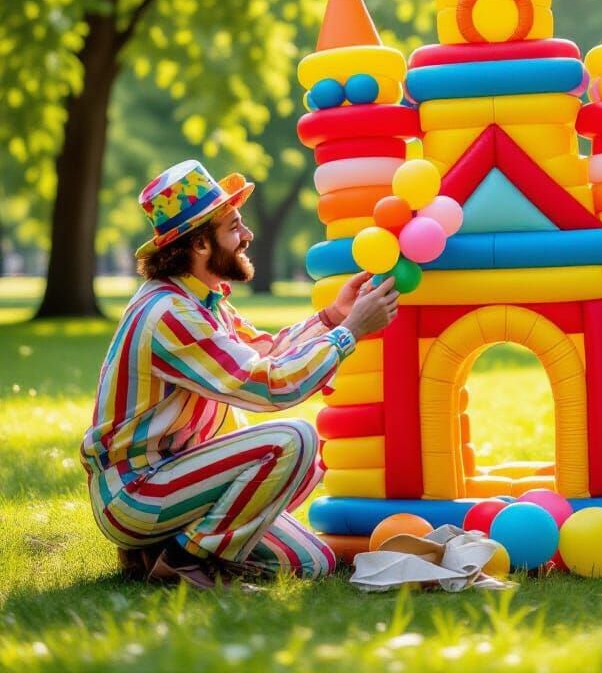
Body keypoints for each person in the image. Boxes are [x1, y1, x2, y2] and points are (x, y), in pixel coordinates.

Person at [80, 159, 399, 590]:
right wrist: (350, 332)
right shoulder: (170, 313)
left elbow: (262, 353)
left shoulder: (203, 302)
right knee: (295, 440)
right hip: (137, 490)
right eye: (234, 227)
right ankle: (186, 559)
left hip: (176, 481)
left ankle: (159, 552)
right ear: (199, 245)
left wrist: (332, 317)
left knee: (313, 561)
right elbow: (269, 386)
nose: (247, 235)